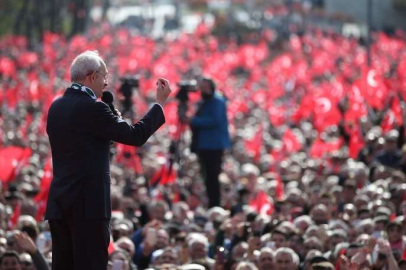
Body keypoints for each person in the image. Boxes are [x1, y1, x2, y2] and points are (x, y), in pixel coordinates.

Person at [45, 50, 171, 270]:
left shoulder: (56, 107)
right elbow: (135, 136)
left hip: (59, 204)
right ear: (92, 76)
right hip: (88, 207)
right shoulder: (93, 107)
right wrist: (159, 104)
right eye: (104, 76)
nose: (106, 83)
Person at [189, 77, 231, 208]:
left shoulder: (217, 102)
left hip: (213, 145)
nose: (202, 90)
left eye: (205, 87)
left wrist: (193, 120)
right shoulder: (203, 102)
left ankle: (215, 203)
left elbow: (215, 120)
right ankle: (211, 200)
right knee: (206, 176)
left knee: (212, 177)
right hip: (204, 145)